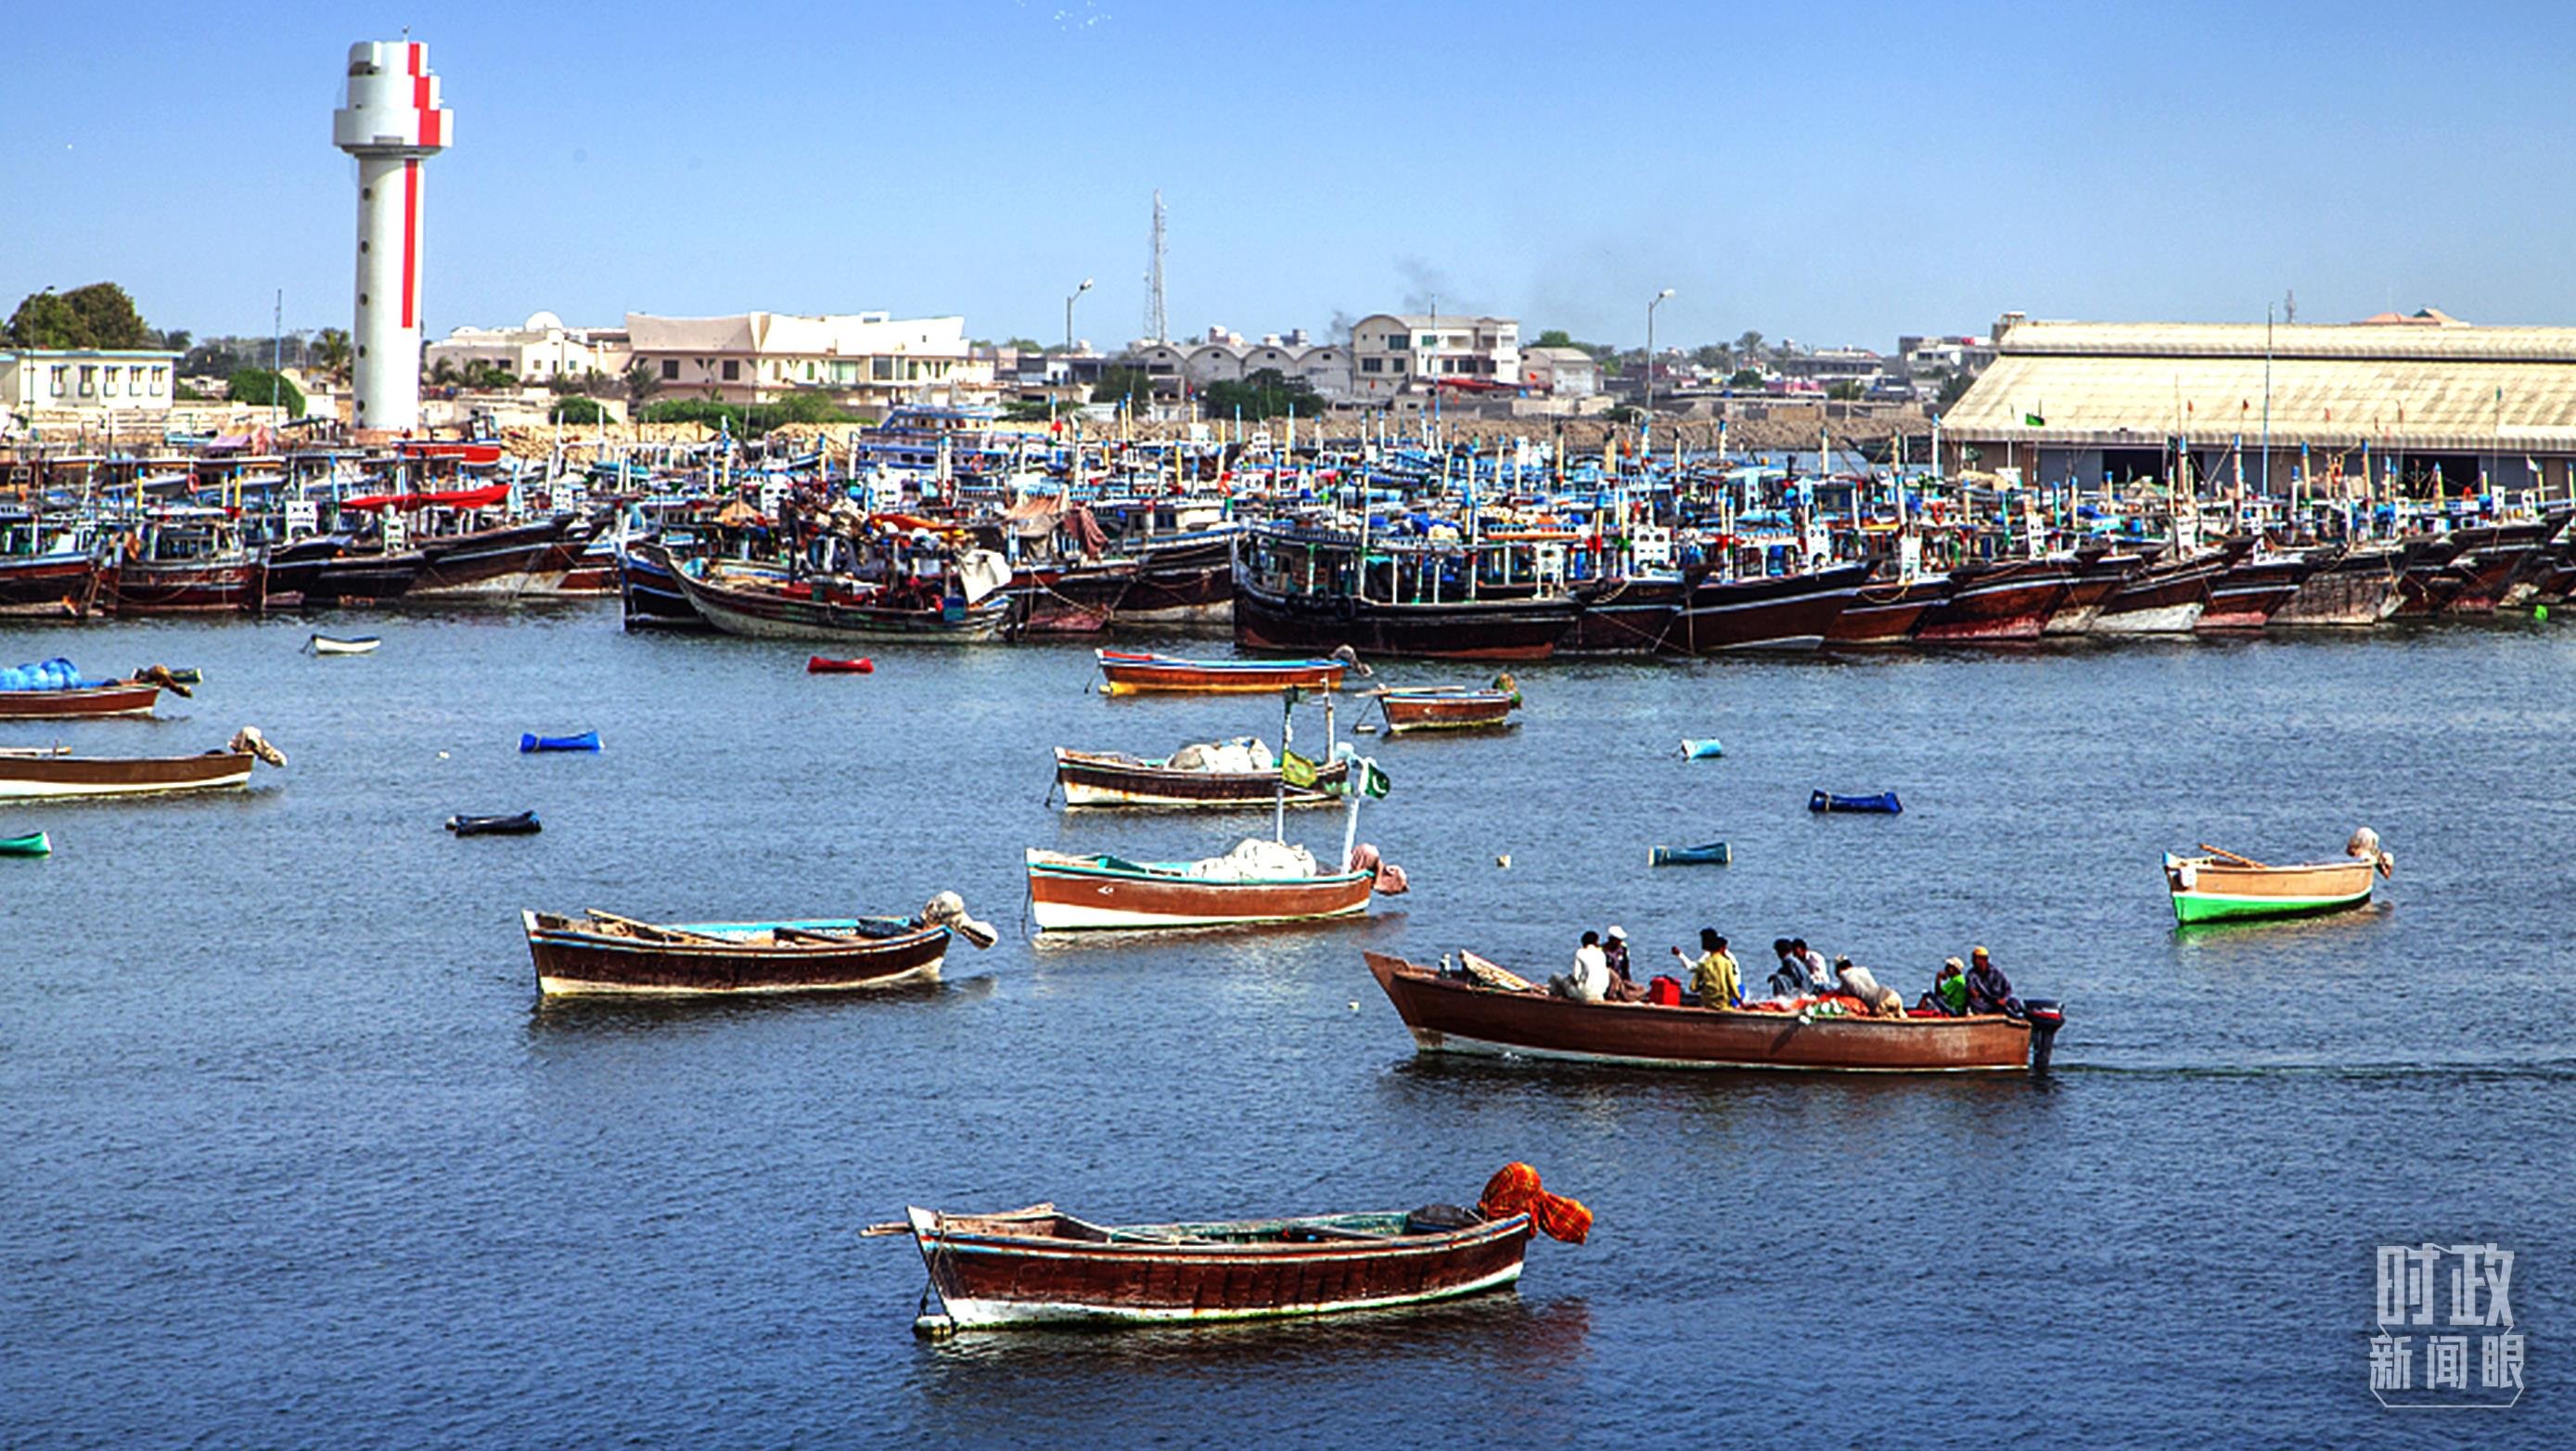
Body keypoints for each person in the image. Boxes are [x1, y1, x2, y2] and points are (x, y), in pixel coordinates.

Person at [1675, 929, 1738, 1008]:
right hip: (1734, 991)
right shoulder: (1725, 956)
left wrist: (1679, 955)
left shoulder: (1708, 959)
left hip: (1729, 994)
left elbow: (1692, 970)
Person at [1831, 957, 1906, 1018]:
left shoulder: (1844, 976)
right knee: (1902, 1018)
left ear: (1839, 970)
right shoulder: (1863, 970)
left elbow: (1843, 996)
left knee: (1881, 1019)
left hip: (1880, 1003)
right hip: (1893, 995)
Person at [1552, 931, 1610, 1003]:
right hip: (1600, 995)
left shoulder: (1580, 952)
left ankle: (1558, 1001)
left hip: (1584, 995)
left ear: (1583, 942)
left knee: (1555, 976)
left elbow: (1576, 976)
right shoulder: (1601, 954)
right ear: (1596, 942)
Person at [1963, 946, 2021, 1017]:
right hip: (1984, 1004)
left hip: (1999, 1002)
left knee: (2014, 1003)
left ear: (1985, 960)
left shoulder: (1997, 973)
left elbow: (2008, 989)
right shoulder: (1971, 974)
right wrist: (1971, 990)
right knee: (1973, 1002)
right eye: (1973, 958)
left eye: (1977, 959)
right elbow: (1970, 986)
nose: (1974, 961)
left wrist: (2004, 999)